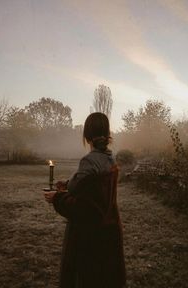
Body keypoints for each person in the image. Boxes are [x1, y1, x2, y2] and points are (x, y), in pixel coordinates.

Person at [44, 112, 126, 288]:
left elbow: (85, 208)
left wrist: (57, 198)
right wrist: (68, 184)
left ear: (87, 135)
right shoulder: (110, 158)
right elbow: (94, 191)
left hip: (90, 240)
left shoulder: (89, 161)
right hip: (108, 233)